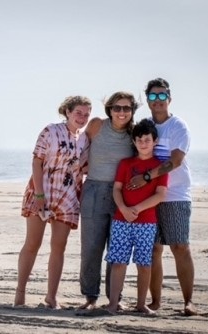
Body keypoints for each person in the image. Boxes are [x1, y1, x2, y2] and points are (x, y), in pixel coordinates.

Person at [127, 78, 198, 316]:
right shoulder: (145, 126)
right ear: (147, 100)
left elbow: (175, 161)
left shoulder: (178, 126)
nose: (157, 100)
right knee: (153, 250)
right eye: (153, 96)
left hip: (175, 195)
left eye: (162, 95)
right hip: (149, 198)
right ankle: (155, 302)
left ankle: (188, 301)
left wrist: (147, 177)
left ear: (169, 98)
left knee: (180, 247)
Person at [14, 96, 91, 309]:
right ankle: (19, 295)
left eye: (86, 114)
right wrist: (39, 196)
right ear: (67, 111)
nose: (82, 118)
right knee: (32, 244)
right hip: (42, 193)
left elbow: (84, 169)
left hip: (67, 197)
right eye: (78, 113)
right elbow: (37, 162)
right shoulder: (50, 131)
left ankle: (51, 297)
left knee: (59, 247)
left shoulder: (84, 140)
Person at [79, 91, 138, 310]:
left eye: (126, 108)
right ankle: (90, 297)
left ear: (132, 111)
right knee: (91, 248)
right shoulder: (96, 125)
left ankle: (115, 298)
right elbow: (80, 150)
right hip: (94, 190)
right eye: (117, 108)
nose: (121, 112)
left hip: (122, 195)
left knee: (117, 249)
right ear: (109, 109)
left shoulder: (134, 133)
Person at [106, 119, 168, 315]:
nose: (143, 143)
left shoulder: (159, 167)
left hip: (146, 223)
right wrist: (124, 208)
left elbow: (160, 194)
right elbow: (116, 189)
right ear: (134, 141)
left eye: (147, 140)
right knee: (118, 262)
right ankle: (113, 303)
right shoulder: (125, 164)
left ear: (155, 141)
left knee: (144, 263)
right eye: (139, 139)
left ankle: (141, 304)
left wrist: (137, 208)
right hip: (121, 220)